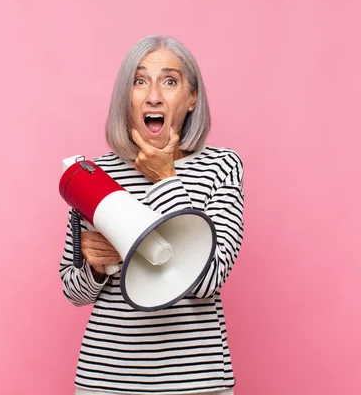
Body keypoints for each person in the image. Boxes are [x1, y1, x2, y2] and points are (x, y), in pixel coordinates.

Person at [59, 34, 245, 395]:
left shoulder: (222, 166)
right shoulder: (93, 175)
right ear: (126, 98)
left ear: (192, 98)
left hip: (197, 382)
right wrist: (96, 268)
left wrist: (165, 178)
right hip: (106, 381)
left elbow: (208, 280)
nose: (154, 95)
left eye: (170, 81)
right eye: (140, 81)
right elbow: (73, 289)